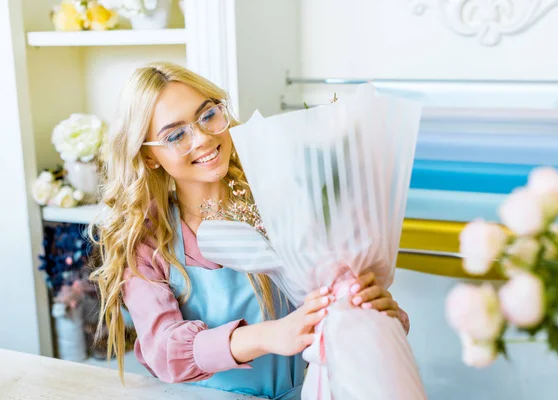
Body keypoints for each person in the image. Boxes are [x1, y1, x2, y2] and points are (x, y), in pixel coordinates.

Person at [90, 61, 410, 399]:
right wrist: (267, 336)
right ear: (150, 156)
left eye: (208, 115)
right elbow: (164, 350)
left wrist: (376, 312)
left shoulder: (287, 203)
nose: (202, 138)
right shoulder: (148, 240)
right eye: (175, 135)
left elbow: (338, 311)